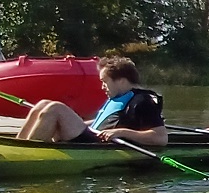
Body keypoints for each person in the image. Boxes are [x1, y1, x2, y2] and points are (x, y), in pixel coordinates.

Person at [17, 56, 166, 146]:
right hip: (91, 134)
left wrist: (121, 132)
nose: (102, 87)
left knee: (55, 108)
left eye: (105, 82)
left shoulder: (143, 101)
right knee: (42, 104)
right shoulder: (119, 96)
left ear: (121, 81)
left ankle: (29, 153)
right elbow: (109, 120)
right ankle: (19, 145)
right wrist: (75, 120)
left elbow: (160, 138)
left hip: (96, 143)